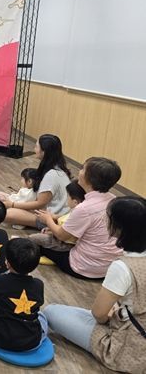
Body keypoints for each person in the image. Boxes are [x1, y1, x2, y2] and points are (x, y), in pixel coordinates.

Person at [44, 196, 146, 373]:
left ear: (119, 228)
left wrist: (111, 314)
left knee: (51, 311)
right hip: (134, 322)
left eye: (108, 217)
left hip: (128, 345)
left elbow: (99, 314)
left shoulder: (122, 267)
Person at [35, 157, 123, 279]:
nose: (79, 171)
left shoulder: (84, 208)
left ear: (89, 178)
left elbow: (62, 236)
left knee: (38, 242)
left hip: (85, 267)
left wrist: (48, 219)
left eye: (83, 169)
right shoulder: (114, 199)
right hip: (110, 266)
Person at [2, 134, 71, 228]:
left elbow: (40, 203)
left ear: (44, 151)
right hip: (53, 213)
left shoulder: (51, 175)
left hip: (50, 218)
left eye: (36, 146)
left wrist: (13, 204)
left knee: (7, 213)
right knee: (4, 198)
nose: (34, 149)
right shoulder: (58, 169)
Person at [28, 180, 86, 252]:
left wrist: (48, 220)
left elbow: (63, 235)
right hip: (60, 237)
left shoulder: (77, 214)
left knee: (33, 238)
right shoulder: (76, 211)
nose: (66, 198)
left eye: (68, 196)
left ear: (75, 202)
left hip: (64, 244)